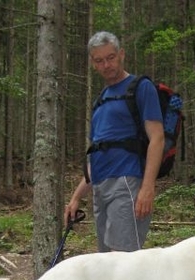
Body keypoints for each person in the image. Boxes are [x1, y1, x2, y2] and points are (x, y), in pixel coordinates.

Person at [64, 31, 165, 253]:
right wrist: (76, 198)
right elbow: (97, 157)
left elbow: (157, 138)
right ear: (93, 63)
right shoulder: (100, 101)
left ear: (121, 55)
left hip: (126, 182)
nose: (106, 65)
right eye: (99, 60)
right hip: (100, 187)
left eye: (110, 57)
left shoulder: (140, 87)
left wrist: (147, 188)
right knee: (106, 260)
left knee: (123, 260)